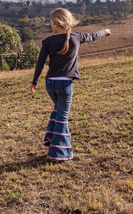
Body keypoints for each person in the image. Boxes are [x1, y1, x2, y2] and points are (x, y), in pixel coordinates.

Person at [30, 8, 111, 161]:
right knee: (62, 116)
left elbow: (40, 64)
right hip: (65, 84)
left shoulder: (48, 41)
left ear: (56, 23)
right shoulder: (77, 37)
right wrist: (105, 30)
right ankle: (58, 153)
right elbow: (94, 36)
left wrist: (35, 82)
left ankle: (51, 138)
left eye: (51, 23)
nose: (50, 27)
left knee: (59, 110)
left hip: (50, 84)